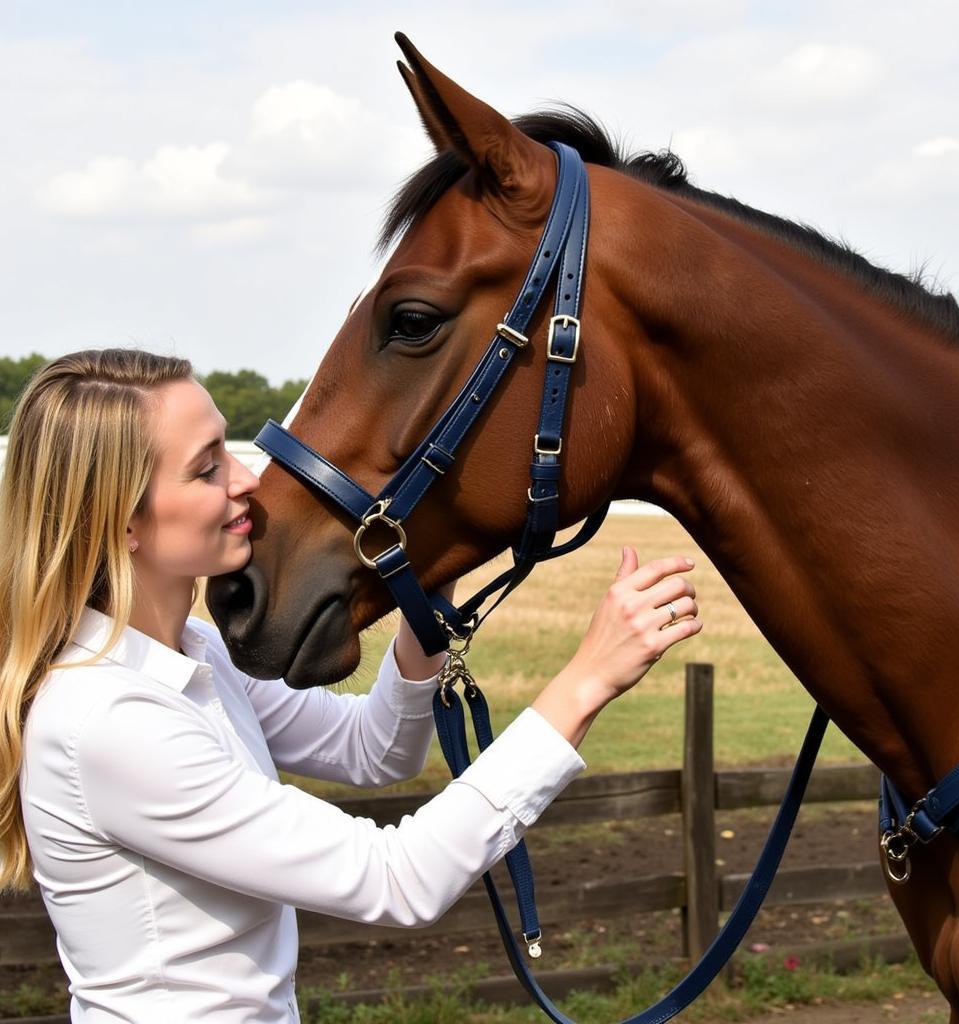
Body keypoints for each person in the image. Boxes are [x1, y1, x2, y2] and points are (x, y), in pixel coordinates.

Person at [0, 349, 702, 1023]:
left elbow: (374, 751)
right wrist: (585, 681)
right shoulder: (111, 721)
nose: (247, 480)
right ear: (124, 520)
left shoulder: (195, 654)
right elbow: (396, 880)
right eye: (207, 467)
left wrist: (430, 559)